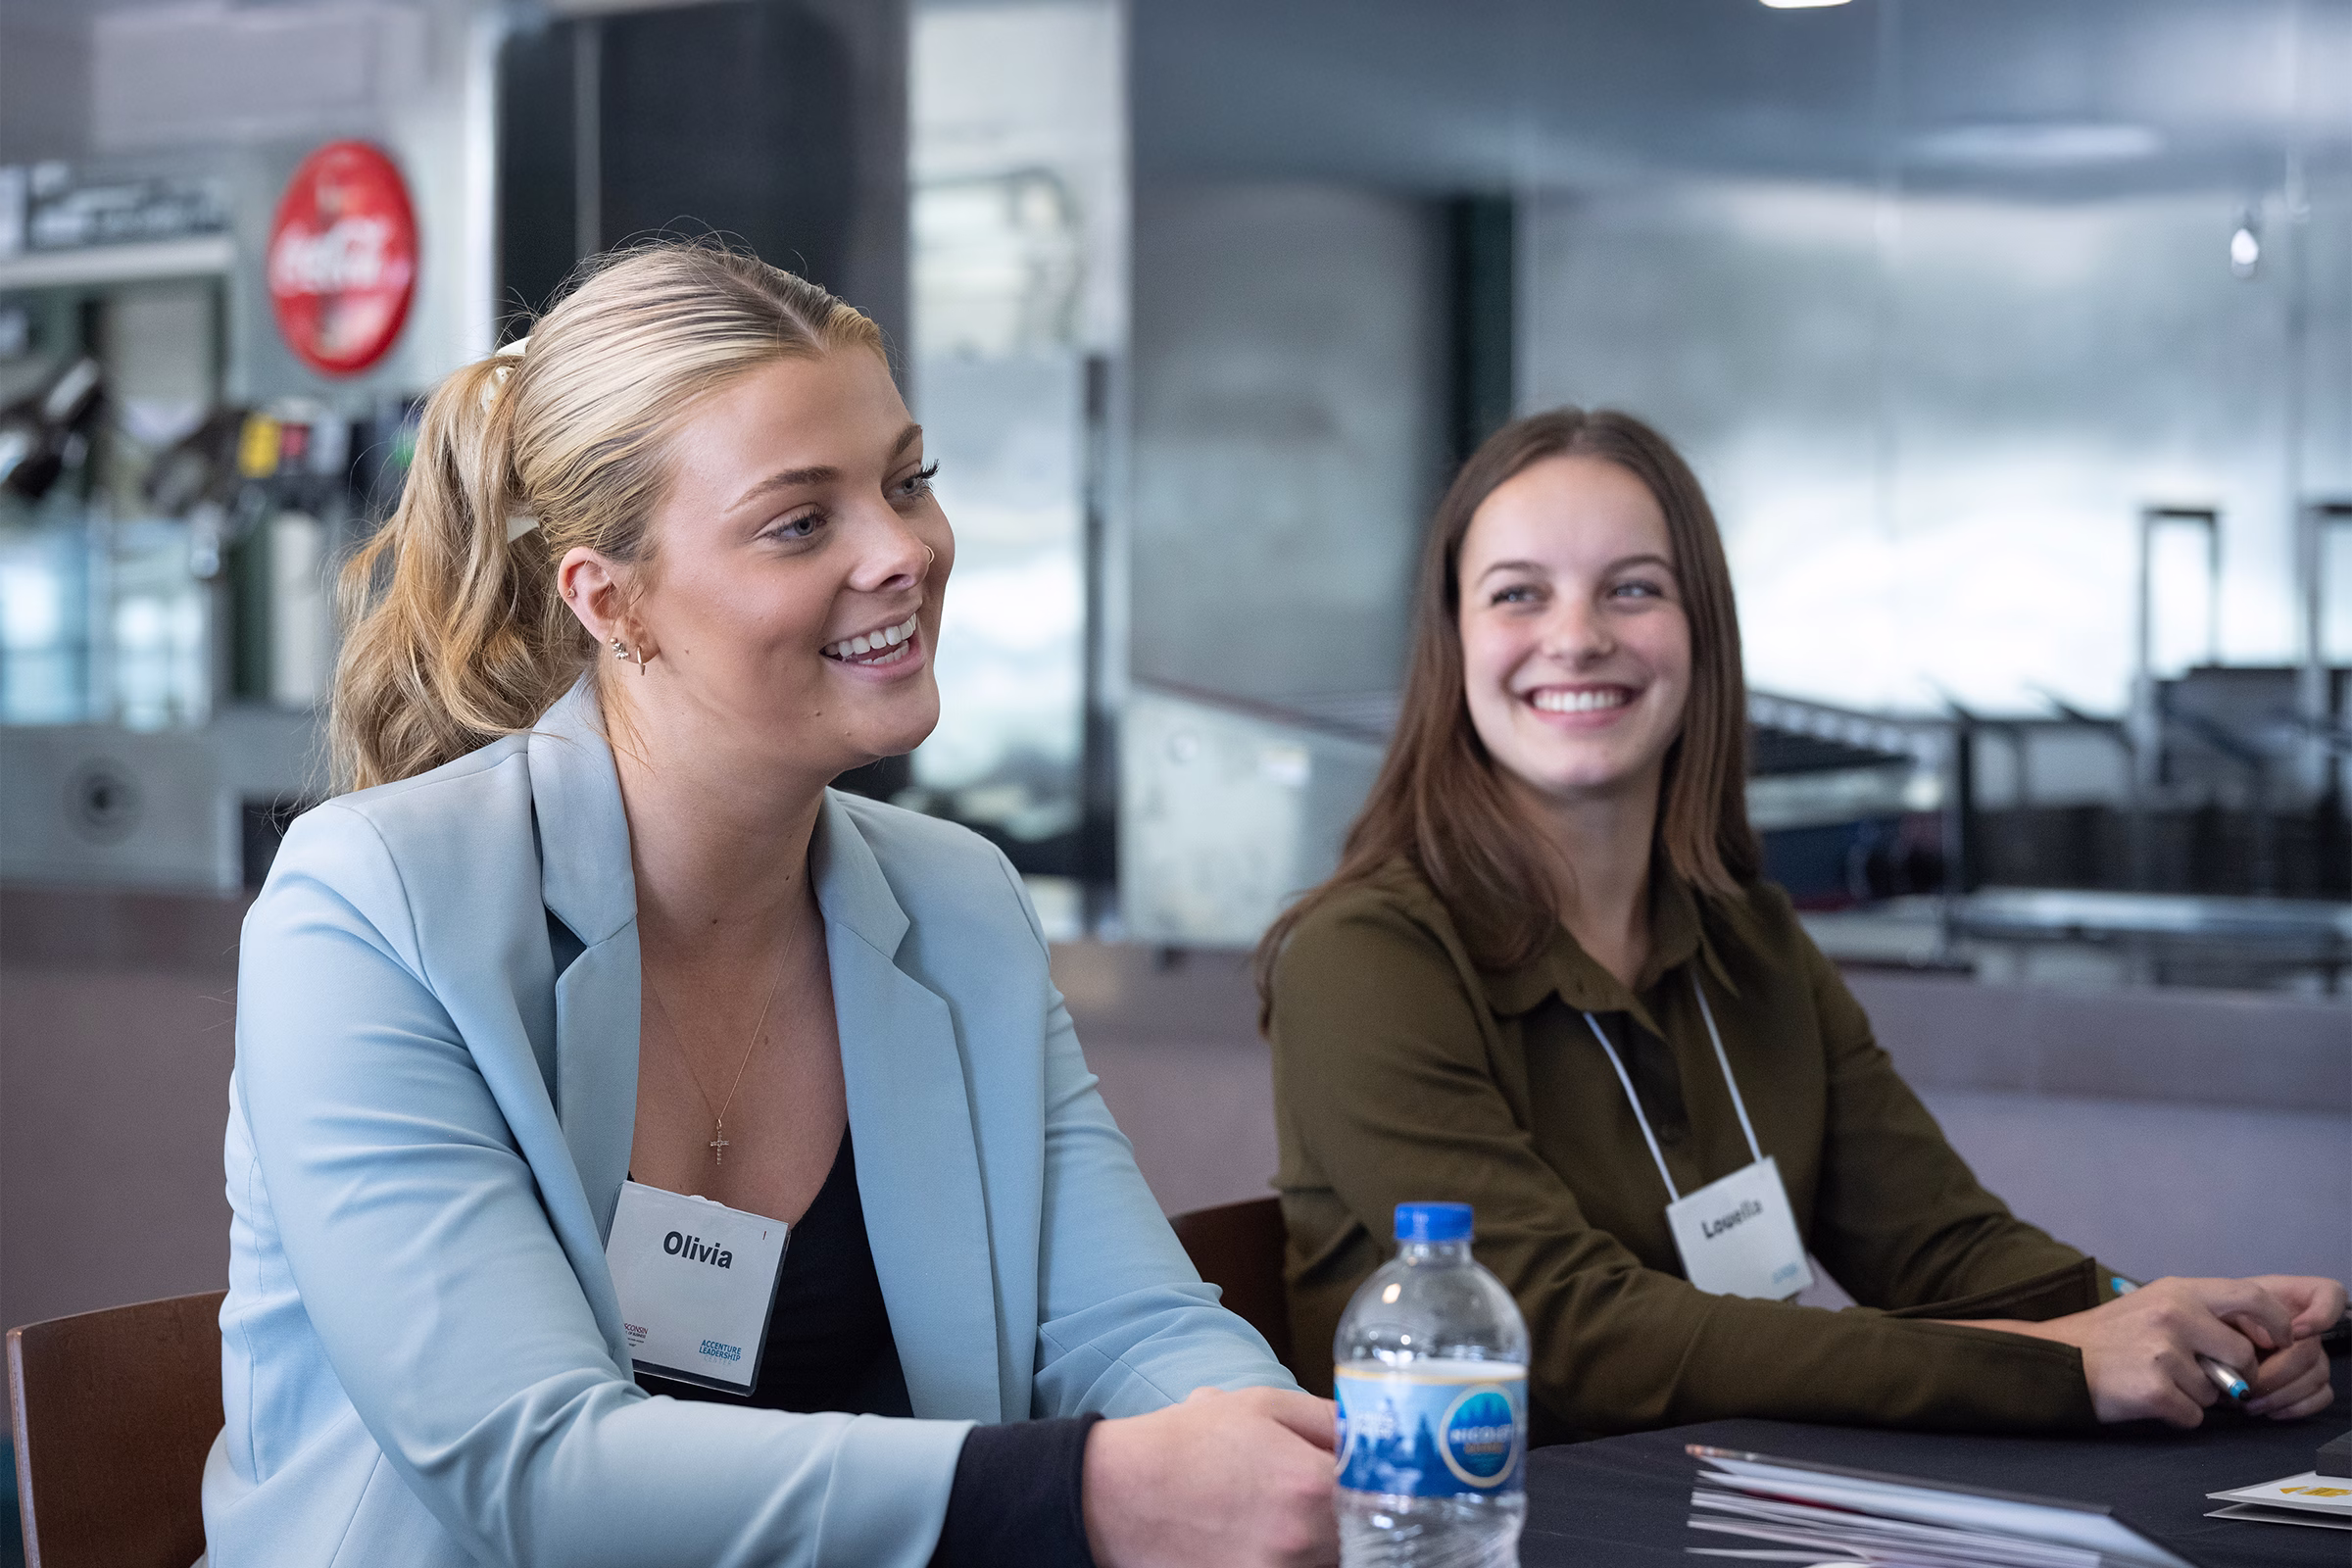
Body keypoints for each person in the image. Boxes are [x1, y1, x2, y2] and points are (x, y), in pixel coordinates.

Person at [206, 242, 1338, 1568]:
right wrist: (1082, 1491)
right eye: (803, 521)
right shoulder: (368, 907)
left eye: (906, 481)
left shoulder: (956, 899)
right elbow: (534, 1462)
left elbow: (1127, 1327)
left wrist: (1277, 1453)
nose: (904, 550)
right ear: (610, 600)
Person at [1257, 407, 2345, 1446]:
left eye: (1633, 589)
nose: (1577, 636)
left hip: (1715, 1511)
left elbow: (1944, 1247)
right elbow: (1570, 1330)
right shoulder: (1365, 960)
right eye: (1517, 594)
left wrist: (2188, 1320)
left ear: (1703, 637)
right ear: (1452, 640)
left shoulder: (1749, 942)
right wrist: (2060, 1367)